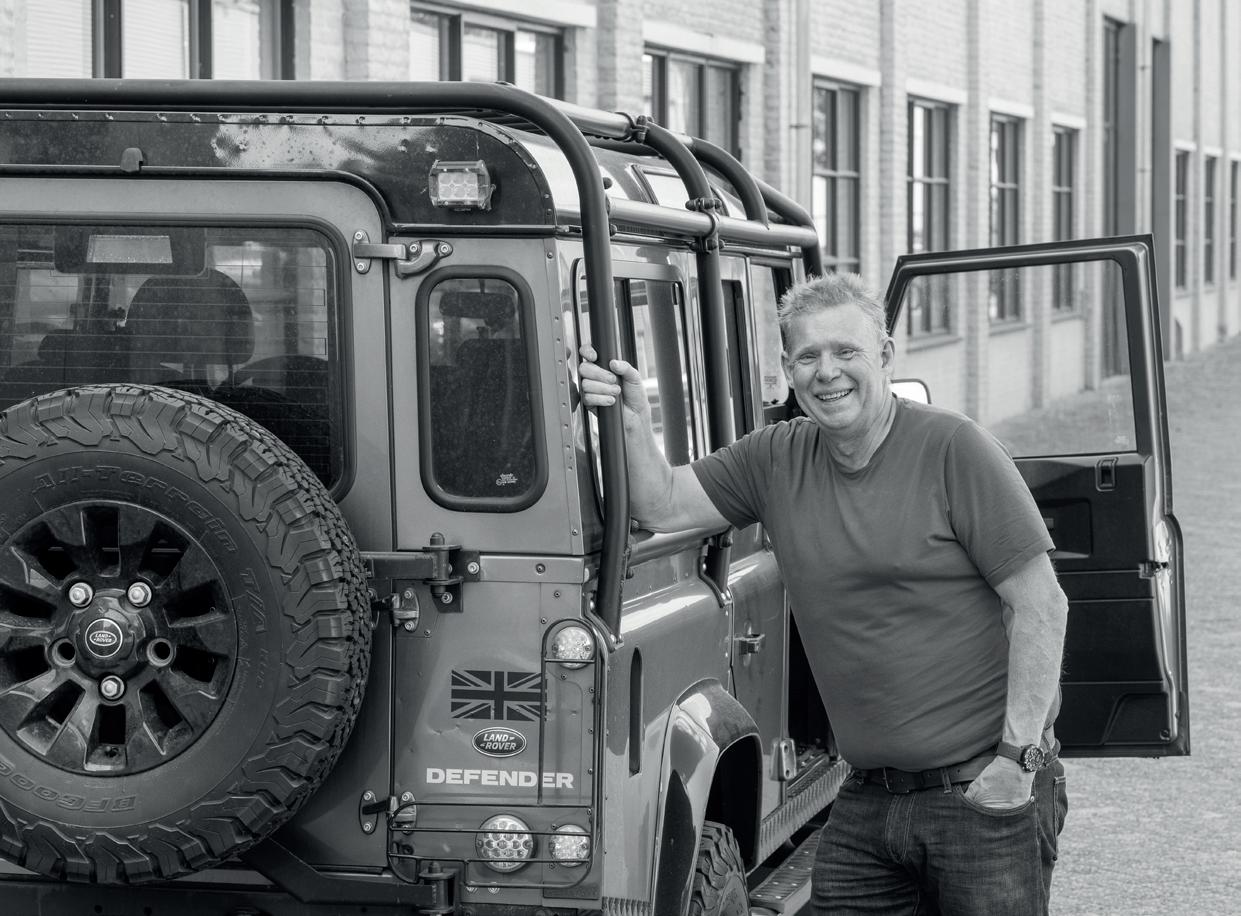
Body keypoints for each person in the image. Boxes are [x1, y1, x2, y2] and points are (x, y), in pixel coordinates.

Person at [578, 272, 1069, 915]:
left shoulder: (955, 449)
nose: (827, 371)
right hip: (869, 795)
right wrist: (631, 421)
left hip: (979, 787)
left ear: (885, 356)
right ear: (788, 370)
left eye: (846, 351)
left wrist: (1017, 762)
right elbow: (662, 503)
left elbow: (1040, 605)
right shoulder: (775, 458)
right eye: (808, 356)